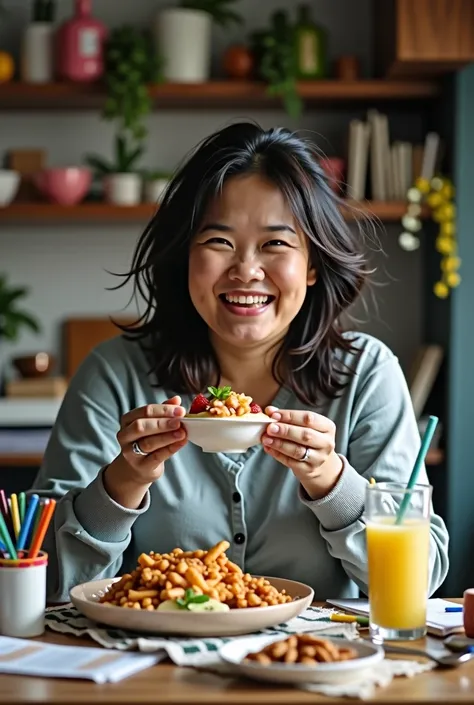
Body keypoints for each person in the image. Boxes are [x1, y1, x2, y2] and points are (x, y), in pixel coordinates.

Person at [33, 121, 449, 602]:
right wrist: (123, 482)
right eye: (219, 242)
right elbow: (40, 579)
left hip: (314, 666)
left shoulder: (367, 374)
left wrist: (333, 483)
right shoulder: (113, 373)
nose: (246, 270)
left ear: (312, 264)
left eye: (275, 244)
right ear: (185, 256)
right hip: (155, 670)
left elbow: (418, 581)